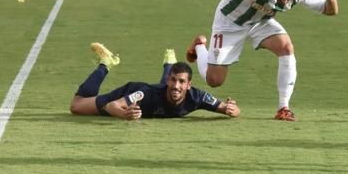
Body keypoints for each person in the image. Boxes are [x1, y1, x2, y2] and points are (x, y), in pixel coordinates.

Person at [185, 0, 338, 121]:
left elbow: (330, 10)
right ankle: (199, 46)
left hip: (258, 22)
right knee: (214, 81)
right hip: (229, 23)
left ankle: (283, 108)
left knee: (286, 47)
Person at [70, 44, 240, 120]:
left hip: (158, 94)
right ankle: (106, 63)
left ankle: (169, 63)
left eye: (181, 82)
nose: (176, 85)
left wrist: (233, 109)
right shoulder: (144, 94)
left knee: (165, 92)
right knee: (77, 106)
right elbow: (112, 106)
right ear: (169, 79)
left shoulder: (198, 97)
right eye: (173, 80)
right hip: (131, 91)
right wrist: (125, 114)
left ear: (189, 85)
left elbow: (228, 109)